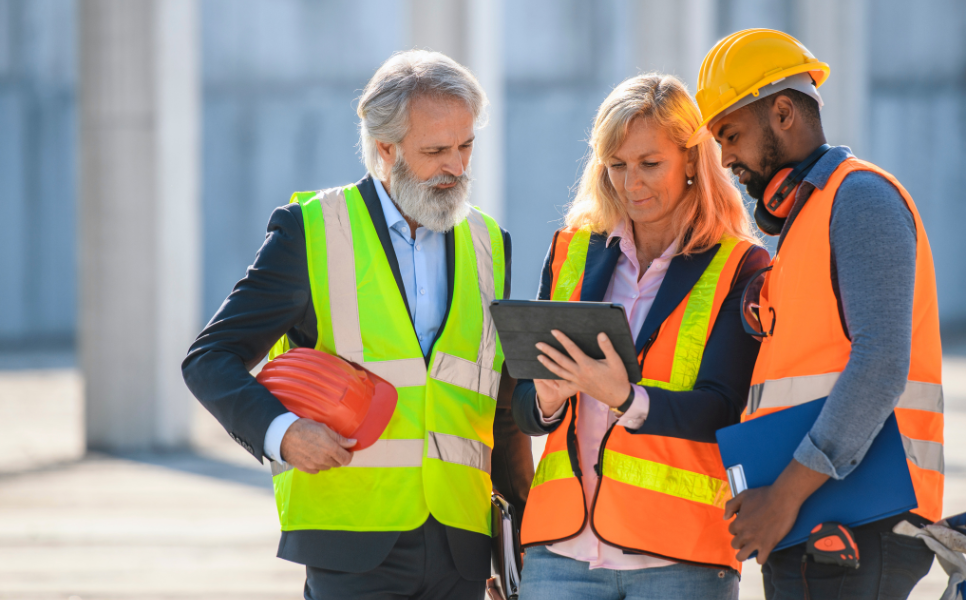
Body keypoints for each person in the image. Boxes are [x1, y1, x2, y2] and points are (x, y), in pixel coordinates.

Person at [182, 50, 533, 600]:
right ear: (385, 149)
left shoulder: (491, 245)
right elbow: (209, 359)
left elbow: (500, 408)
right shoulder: (312, 231)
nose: (457, 167)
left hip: (461, 547)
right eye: (436, 151)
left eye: (465, 146)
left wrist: (517, 544)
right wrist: (282, 434)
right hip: (350, 541)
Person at [692, 29, 944, 598]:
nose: (725, 157)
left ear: (783, 112)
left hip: (856, 519)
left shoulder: (860, 200)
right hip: (818, 518)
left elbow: (880, 364)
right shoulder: (808, 220)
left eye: (730, 134)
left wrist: (782, 497)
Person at [511, 74, 770, 600]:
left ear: (694, 161)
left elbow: (724, 410)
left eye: (650, 164)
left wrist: (627, 399)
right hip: (560, 551)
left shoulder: (741, 265)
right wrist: (545, 397)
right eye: (617, 166)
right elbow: (521, 408)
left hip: (679, 556)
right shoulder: (571, 253)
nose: (632, 184)